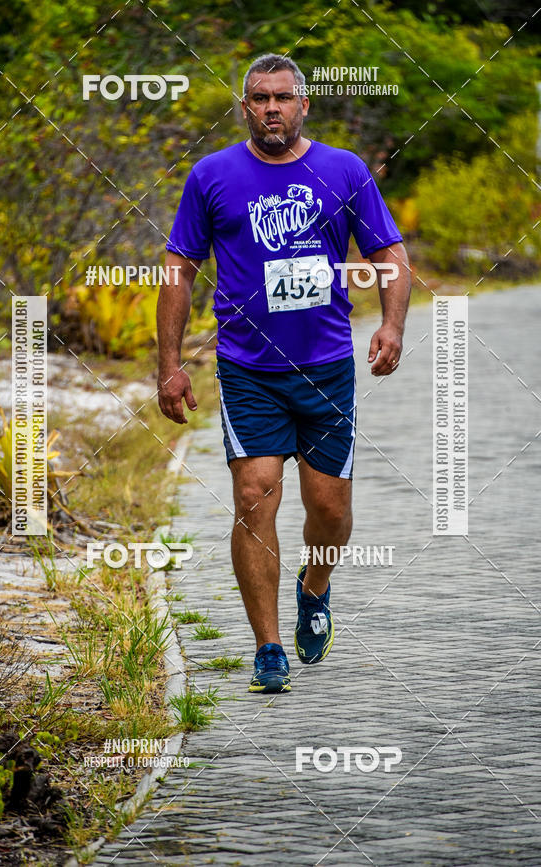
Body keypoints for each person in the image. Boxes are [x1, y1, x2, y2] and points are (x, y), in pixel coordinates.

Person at [157, 53, 410, 694]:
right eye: (259, 98)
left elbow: (390, 255)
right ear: (245, 107)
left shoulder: (343, 170)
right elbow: (177, 271)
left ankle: (314, 587)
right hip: (249, 371)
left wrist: (392, 325)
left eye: (282, 97)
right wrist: (169, 365)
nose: (271, 107)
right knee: (253, 499)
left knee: (329, 510)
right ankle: (268, 648)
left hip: (326, 367)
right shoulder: (211, 176)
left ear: (304, 105)